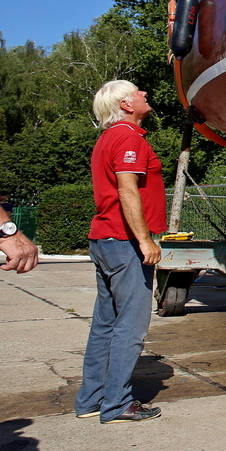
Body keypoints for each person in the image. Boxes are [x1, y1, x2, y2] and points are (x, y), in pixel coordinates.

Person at [75, 80, 166, 424]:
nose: (144, 94)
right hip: (124, 242)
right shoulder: (129, 138)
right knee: (131, 325)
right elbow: (127, 191)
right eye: (137, 92)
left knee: (105, 324)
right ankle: (117, 403)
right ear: (126, 105)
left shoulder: (108, 138)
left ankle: (91, 400)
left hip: (105, 240)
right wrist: (145, 240)